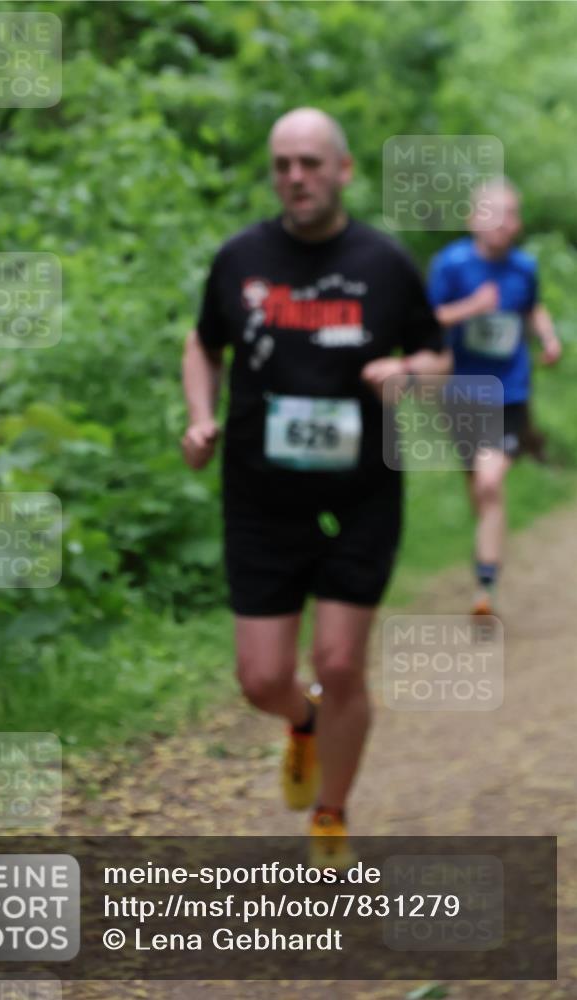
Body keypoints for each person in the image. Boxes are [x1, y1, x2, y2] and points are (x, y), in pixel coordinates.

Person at [181, 107, 450, 867]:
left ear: (342, 170)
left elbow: (436, 358)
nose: (294, 177)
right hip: (261, 497)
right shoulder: (239, 259)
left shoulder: (385, 264)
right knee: (261, 678)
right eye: (281, 165)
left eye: (308, 163)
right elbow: (202, 346)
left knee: (339, 662)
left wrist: (407, 371)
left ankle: (330, 812)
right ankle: (302, 721)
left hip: (359, 493)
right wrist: (200, 418)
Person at [428, 178, 561, 615]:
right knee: (480, 489)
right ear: (473, 219)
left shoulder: (524, 268)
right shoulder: (450, 265)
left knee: (490, 482)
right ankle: (486, 563)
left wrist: (547, 336)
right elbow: (428, 322)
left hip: (510, 392)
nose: (507, 224)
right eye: (497, 214)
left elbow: (532, 307)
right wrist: (471, 308)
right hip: (463, 393)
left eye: (513, 214)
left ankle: (485, 587)